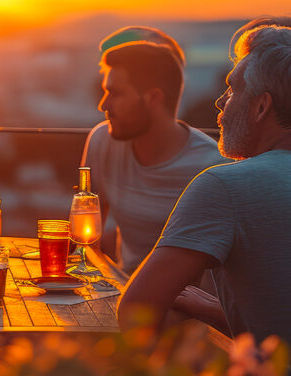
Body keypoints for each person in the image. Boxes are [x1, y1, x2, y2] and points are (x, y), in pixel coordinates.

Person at [118, 25, 291, 376]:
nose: (220, 103)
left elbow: (136, 310)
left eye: (233, 88)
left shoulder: (222, 185)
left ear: (261, 107)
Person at [81, 27, 227, 274]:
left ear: (153, 98)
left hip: (187, 306)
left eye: (115, 93)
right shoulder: (101, 141)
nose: (103, 104)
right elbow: (86, 241)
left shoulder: (212, 166)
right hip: (120, 292)